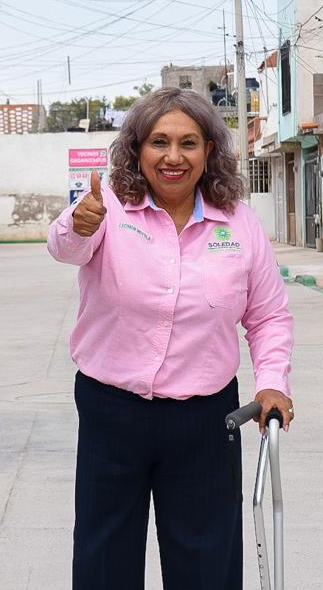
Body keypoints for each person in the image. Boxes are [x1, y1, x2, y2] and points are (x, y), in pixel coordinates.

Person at [47, 87, 294, 590]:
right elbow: (65, 246)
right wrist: (78, 222)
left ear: (209, 151)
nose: (173, 157)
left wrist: (273, 381)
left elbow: (267, 315)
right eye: (159, 142)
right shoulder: (107, 208)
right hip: (111, 412)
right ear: (137, 151)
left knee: (207, 561)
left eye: (189, 143)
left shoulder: (240, 224)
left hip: (206, 418)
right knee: (104, 559)